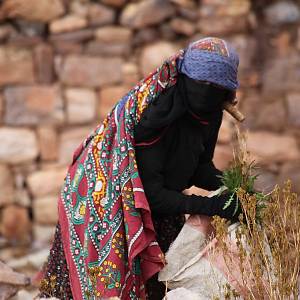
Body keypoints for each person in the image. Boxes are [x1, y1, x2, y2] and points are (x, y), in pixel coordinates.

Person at [38, 37, 241, 300]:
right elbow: (152, 195)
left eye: (216, 88)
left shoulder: (209, 113)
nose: (208, 93)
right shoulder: (155, 114)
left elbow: (197, 167)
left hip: (159, 206)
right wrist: (213, 206)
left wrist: (239, 188)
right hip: (105, 201)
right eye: (202, 84)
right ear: (187, 78)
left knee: (159, 285)